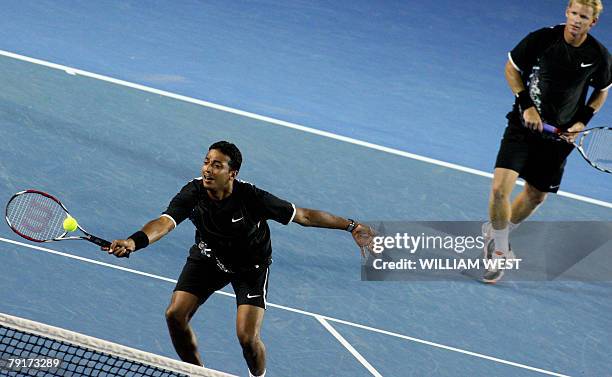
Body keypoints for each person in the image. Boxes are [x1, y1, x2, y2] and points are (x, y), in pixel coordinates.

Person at [105, 141, 374, 377]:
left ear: (232, 173)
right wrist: (133, 241)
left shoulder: (252, 198)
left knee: (247, 338)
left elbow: (303, 216)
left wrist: (351, 226)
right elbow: (164, 223)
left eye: (217, 165)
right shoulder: (193, 193)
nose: (208, 169)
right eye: (206, 162)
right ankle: (197, 373)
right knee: (175, 314)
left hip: (250, 269)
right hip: (208, 259)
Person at [483, 0, 611, 283]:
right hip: (523, 126)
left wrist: (581, 122)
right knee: (499, 190)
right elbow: (511, 69)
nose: (577, 20)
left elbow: (601, 92)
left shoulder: (599, 55)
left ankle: (497, 231)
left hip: (559, 136)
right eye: (574, 14)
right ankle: (500, 249)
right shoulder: (542, 39)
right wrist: (526, 104)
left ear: (593, 22)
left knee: (535, 195)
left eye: (584, 17)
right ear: (567, 12)